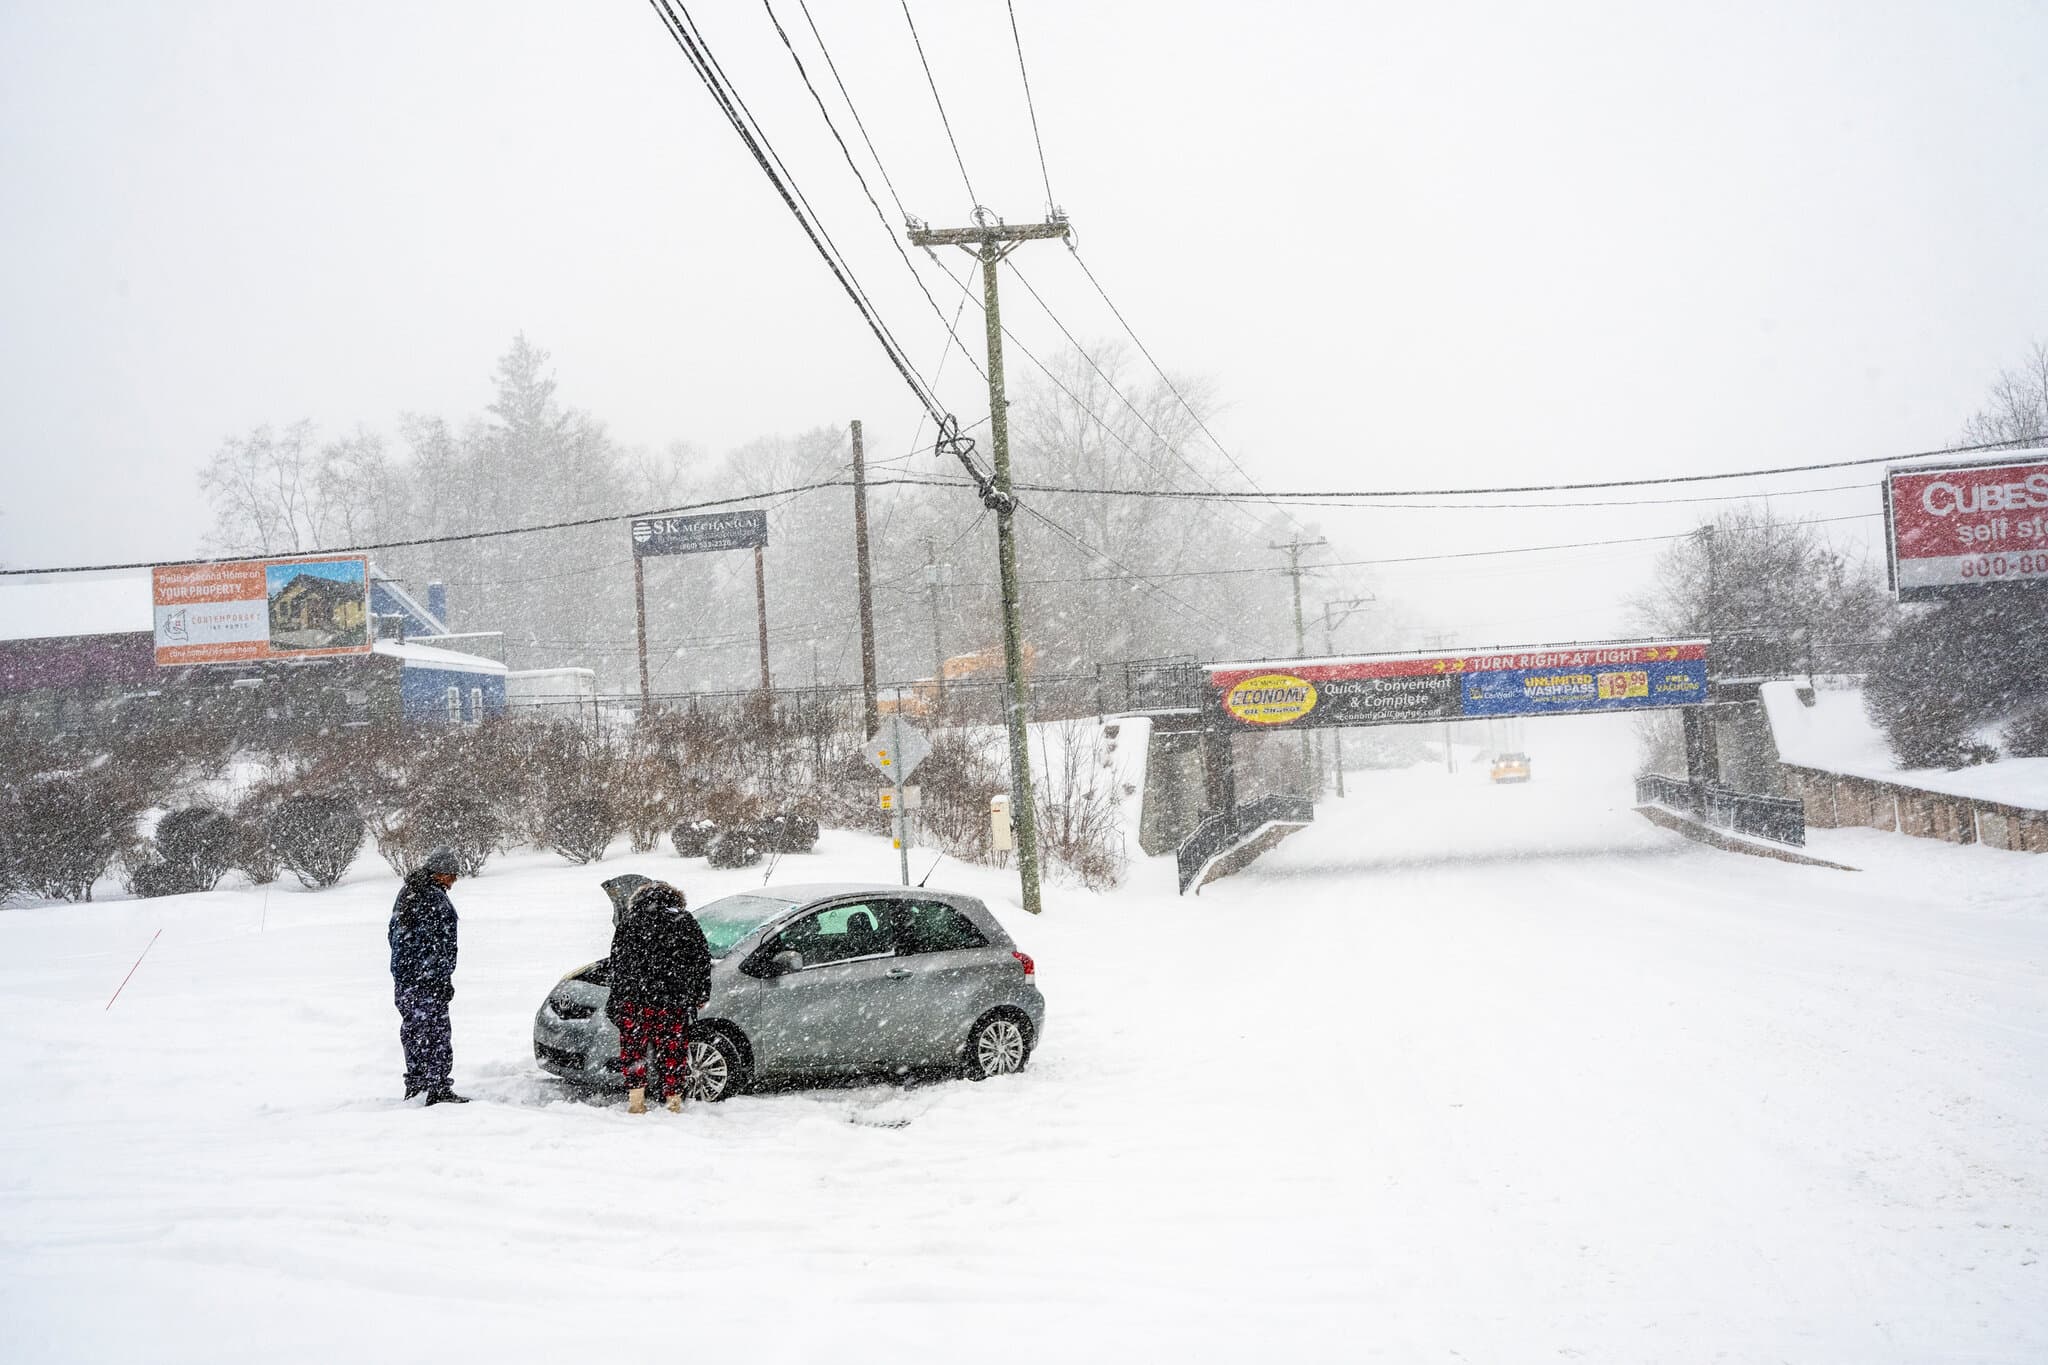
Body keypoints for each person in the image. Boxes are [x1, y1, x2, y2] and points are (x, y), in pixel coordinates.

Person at [605, 880, 712, 1114]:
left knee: (634, 1051)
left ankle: (636, 1101)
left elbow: (617, 964)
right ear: (674, 899)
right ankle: (673, 1101)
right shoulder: (683, 921)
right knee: (672, 1050)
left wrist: (617, 997)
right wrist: (700, 993)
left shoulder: (630, 922)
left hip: (634, 1001)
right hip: (671, 1001)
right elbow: (701, 960)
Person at [389, 847, 467, 1105]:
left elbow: (394, 934)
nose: (453, 882)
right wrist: (439, 979)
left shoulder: (407, 893)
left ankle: (416, 1085)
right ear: (440, 873)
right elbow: (440, 944)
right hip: (427, 982)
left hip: (405, 980)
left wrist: (407, 970)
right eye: (452, 876)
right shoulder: (433, 898)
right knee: (436, 1034)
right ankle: (438, 1088)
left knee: (413, 1032)